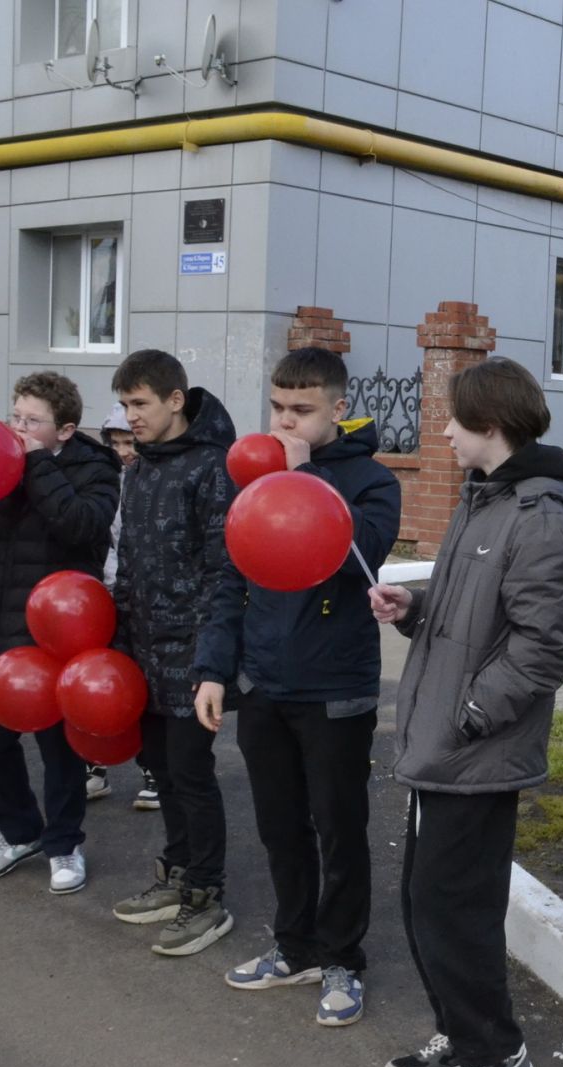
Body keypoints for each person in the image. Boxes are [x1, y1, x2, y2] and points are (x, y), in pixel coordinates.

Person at [369, 356, 563, 1067]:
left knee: (454, 905)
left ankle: (498, 1053)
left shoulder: (538, 514)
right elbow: (473, 602)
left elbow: (543, 646)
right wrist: (413, 604)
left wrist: (470, 713)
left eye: (455, 420)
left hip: (476, 746)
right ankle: (458, 1032)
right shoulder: (485, 496)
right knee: (423, 898)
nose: (444, 431)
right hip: (444, 741)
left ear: (490, 428)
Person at [218, 348, 401, 1027]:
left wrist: (303, 484)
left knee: (338, 826)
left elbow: (364, 557)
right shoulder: (252, 476)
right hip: (265, 681)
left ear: (338, 410)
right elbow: (232, 572)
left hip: (336, 687)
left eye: (303, 410)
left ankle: (341, 959)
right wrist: (219, 669)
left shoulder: (372, 480)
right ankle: (293, 946)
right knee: (278, 826)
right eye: (277, 407)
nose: (285, 421)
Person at [0, 372, 119, 894]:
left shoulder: (94, 469)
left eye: (32, 422)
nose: (17, 429)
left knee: (60, 750)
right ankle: (17, 833)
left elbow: (81, 527)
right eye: (15, 417)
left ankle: (64, 844)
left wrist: (35, 464)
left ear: (65, 430)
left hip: (55, 637)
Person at [107, 349, 244, 957]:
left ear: (174, 400)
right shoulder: (138, 467)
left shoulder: (213, 469)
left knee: (190, 775)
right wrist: (117, 647)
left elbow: (224, 574)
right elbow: (129, 564)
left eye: (140, 404)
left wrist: (211, 664)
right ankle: (178, 873)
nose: (129, 416)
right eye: (125, 405)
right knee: (162, 773)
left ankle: (206, 897)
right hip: (142, 653)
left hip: (191, 657)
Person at [83, 403, 160, 811]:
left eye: (130, 442)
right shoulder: (104, 480)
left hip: (142, 597)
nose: (124, 450)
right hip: (103, 595)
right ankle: (96, 767)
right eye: (116, 443)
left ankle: (152, 771)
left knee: (142, 685)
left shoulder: (154, 482)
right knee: (101, 683)